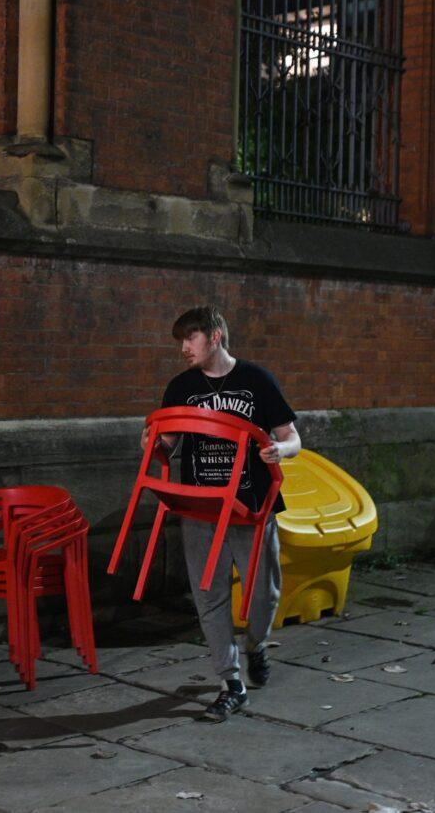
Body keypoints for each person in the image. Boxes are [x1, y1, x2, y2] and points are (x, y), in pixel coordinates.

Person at [144, 305, 301, 721]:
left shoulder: (256, 380)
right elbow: (169, 444)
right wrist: (153, 444)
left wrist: (278, 449)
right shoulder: (180, 387)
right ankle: (230, 682)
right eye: (180, 340)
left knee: (264, 593)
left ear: (214, 336)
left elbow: (293, 437)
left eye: (190, 338)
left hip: (251, 505)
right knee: (209, 596)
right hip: (202, 508)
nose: (183, 348)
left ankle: (256, 645)